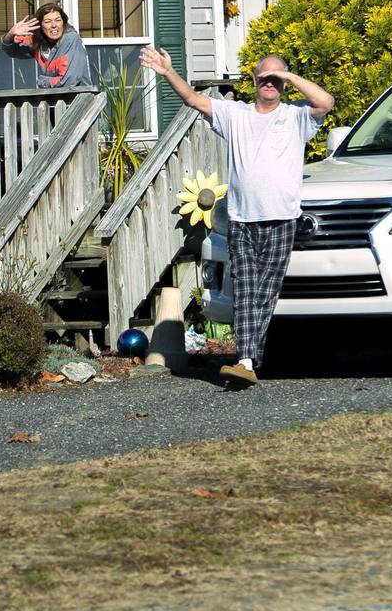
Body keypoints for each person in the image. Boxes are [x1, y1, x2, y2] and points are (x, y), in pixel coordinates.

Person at [138, 46, 334, 388]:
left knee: (265, 293)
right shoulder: (235, 114)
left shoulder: (296, 115)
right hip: (243, 219)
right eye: (264, 77)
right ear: (254, 80)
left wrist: (287, 75)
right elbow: (194, 101)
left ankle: (249, 360)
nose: (269, 83)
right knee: (245, 290)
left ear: (284, 83)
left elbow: (326, 102)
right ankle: (245, 360)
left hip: (282, 218)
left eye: (276, 78)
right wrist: (168, 72)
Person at [0, 2, 93, 88]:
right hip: (56, 101)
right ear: (40, 25)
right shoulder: (38, 41)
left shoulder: (71, 39)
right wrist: (10, 34)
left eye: (58, 20)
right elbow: (10, 51)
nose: (54, 25)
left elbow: (69, 81)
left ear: (63, 23)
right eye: (48, 21)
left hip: (80, 100)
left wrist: (42, 81)